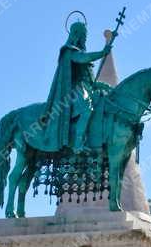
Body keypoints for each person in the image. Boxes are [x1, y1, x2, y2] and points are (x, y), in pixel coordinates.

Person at [39, 19, 112, 153]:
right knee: (86, 109)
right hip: (74, 91)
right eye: (83, 35)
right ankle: (78, 143)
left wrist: (106, 87)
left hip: (86, 89)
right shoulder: (70, 51)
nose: (85, 38)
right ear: (77, 34)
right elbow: (82, 58)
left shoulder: (81, 55)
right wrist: (102, 53)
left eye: (86, 36)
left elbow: (91, 82)